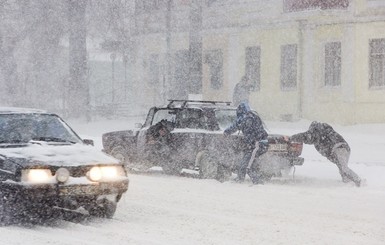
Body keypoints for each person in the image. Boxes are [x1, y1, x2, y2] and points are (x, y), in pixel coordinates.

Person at [290, 121, 361, 187]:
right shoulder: (324, 132)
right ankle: (349, 185)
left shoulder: (318, 131)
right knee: (343, 170)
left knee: (344, 169)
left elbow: (306, 136)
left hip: (339, 148)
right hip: (345, 148)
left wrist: (291, 138)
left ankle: (358, 181)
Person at [224, 102, 268, 184]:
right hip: (258, 144)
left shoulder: (245, 118)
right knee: (246, 162)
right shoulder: (253, 116)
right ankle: (241, 179)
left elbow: (234, 126)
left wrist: (226, 132)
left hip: (256, 144)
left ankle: (257, 182)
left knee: (248, 165)